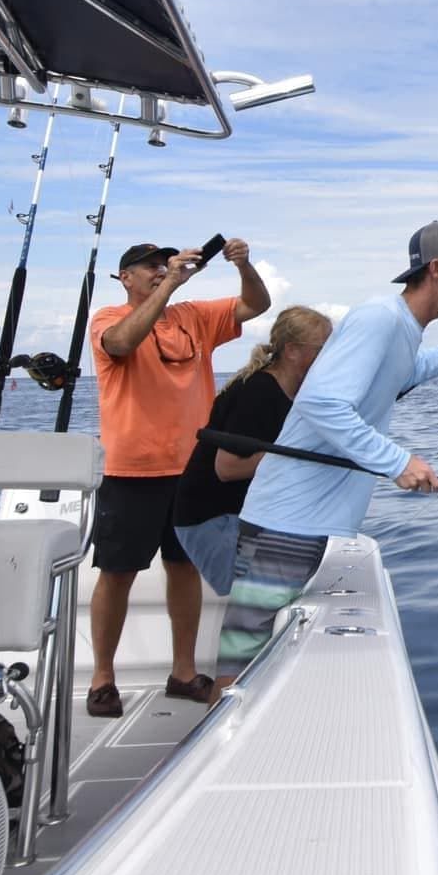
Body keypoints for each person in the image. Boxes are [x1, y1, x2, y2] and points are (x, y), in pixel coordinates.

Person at [218, 221, 438, 668]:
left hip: (308, 523)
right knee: (242, 655)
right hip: (287, 525)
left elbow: (402, 373)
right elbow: (322, 404)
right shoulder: (379, 318)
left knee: (262, 655)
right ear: (437, 269)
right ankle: (222, 730)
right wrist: (397, 462)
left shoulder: (402, 327)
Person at [86, 239, 270, 716]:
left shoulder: (193, 316)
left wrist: (243, 264)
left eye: (163, 264)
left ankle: (183, 672)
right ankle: (102, 677)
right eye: (149, 267)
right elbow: (123, 344)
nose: (159, 270)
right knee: (118, 572)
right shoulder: (108, 318)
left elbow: (257, 304)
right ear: (125, 277)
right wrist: (169, 283)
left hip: (193, 469)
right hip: (133, 470)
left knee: (184, 567)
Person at [172, 306, 334, 600]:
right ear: (293, 351)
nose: (330, 358)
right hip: (212, 517)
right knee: (254, 597)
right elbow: (228, 467)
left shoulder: (292, 392)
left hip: (242, 514)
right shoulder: (258, 392)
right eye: (322, 349)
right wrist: (299, 456)